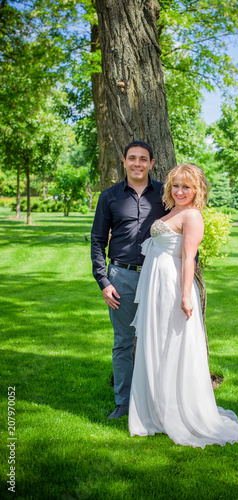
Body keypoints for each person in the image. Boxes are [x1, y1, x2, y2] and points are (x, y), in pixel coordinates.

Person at [128, 163, 238, 448]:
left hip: (172, 287)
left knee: (172, 345)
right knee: (156, 343)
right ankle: (155, 409)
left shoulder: (192, 216)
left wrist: (184, 296)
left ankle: (175, 411)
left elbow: (189, 259)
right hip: (157, 286)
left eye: (186, 187)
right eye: (176, 186)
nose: (180, 191)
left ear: (197, 190)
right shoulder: (173, 212)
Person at [91, 140, 168, 419]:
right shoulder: (109, 197)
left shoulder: (165, 194)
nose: (137, 163)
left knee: (159, 340)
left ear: (152, 164)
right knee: (123, 341)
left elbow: (182, 231)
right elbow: (98, 241)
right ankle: (123, 403)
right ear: (123, 161)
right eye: (132, 158)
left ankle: (157, 403)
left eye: (143, 159)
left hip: (157, 276)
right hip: (120, 277)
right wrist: (104, 281)